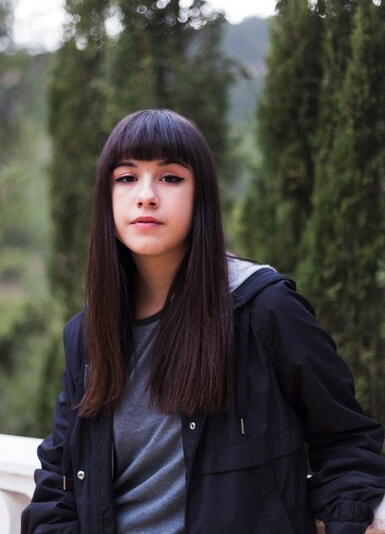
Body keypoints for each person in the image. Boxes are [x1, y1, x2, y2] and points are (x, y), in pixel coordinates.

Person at [21, 109, 385, 534]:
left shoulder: (265, 310)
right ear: (107, 197)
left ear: (201, 196)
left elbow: (346, 443)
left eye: (171, 177)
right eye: (126, 178)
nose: (146, 195)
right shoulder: (87, 334)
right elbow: (59, 480)